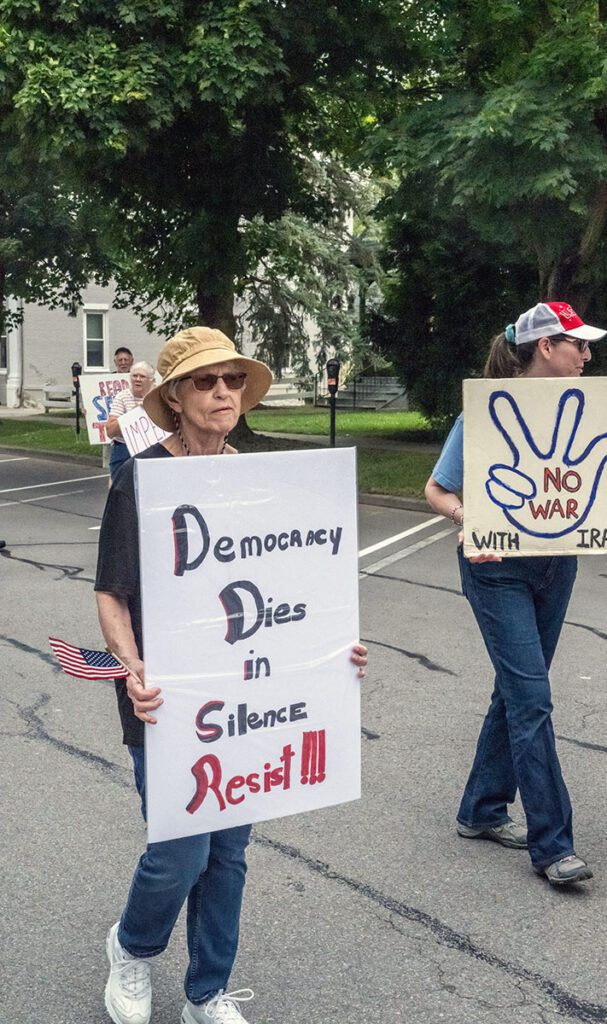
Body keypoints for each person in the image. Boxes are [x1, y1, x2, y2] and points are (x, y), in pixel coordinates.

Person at [95, 326, 368, 1024]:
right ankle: (131, 946)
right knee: (180, 852)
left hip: (248, 694)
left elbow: (291, 587)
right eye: (205, 382)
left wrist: (334, 648)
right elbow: (111, 592)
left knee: (230, 852)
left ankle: (206, 992)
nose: (222, 393)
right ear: (176, 400)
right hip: (166, 696)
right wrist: (131, 668)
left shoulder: (260, 480)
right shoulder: (141, 478)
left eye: (232, 381)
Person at [425, 301, 607, 887]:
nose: (588, 356)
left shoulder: (590, 410)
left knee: (517, 691)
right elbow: (437, 488)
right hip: (497, 571)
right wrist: (468, 517)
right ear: (546, 346)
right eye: (579, 345)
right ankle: (553, 845)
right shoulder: (487, 412)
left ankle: (482, 810)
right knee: (532, 697)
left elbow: (590, 481)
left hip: (556, 566)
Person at [106, 361, 156, 481]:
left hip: (151, 449)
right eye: (134, 376)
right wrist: (134, 414)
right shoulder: (122, 397)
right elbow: (110, 430)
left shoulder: (158, 398)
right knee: (121, 489)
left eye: (142, 376)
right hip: (124, 448)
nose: (137, 379)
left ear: (151, 380)